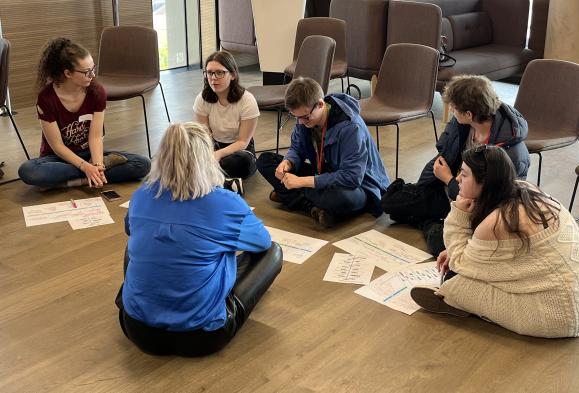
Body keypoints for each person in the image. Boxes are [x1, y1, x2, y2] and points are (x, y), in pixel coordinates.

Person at [115, 122, 282, 357]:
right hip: (202, 337)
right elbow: (262, 243)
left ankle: (148, 298)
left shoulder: (142, 194)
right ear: (208, 158)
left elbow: (130, 230)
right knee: (273, 252)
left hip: (137, 329)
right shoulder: (225, 201)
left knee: (140, 241)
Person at [411, 145, 579, 338]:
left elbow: (460, 263)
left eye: (465, 175)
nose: (457, 179)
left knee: (456, 285)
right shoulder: (525, 189)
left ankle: (452, 300)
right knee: (470, 269)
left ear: (484, 182)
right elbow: (513, 257)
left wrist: (458, 213)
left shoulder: (496, 222)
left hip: (560, 316)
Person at [381, 75, 530, 255]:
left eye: (454, 108)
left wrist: (449, 180)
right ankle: (433, 219)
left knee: (440, 245)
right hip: (449, 192)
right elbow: (442, 157)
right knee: (391, 202)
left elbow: (492, 205)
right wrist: (423, 190)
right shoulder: (461, 124)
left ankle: (429, 222)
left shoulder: (512, 154)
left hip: (474, 210)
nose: (450, 110)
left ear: (469, 114)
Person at [256, 77, 390, 227]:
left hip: (360, 186)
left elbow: (351, 177)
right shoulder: (305, 118)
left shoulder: (351, 127)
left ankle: (292, 196)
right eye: (296, 118)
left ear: (320, 104)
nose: (300, 122)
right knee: (265, 160)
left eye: (305, 117)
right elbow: (297, 148)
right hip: (324, 174)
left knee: (339, 198)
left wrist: (302, 182)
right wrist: (288, 162)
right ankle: (313, 208)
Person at [18, 37, 150, 189]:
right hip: (57, 158)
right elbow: (57, 146)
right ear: (67, 73)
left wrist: (98, 164)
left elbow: (95, 137)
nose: (93, 75)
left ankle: (75, 181)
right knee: (29, 172)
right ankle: (89, 176)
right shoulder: (46, 98)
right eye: (87, 72)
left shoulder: (97, 92)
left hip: (88, 153)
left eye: (93, 69)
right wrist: (85, 167)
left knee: (143, 164)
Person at [194, 50, 260, 193]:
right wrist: (210, 154)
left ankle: (202, 178)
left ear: (233, 75)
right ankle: (223, 182)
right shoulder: (202, 99)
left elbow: (243, 142)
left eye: (219, 73)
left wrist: (216, 156)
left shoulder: (247, 101)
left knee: (243, 163)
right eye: (209, 73)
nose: (213, 78)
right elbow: (204, 136)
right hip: (213, 147)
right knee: (184, 155)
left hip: (239, 150)